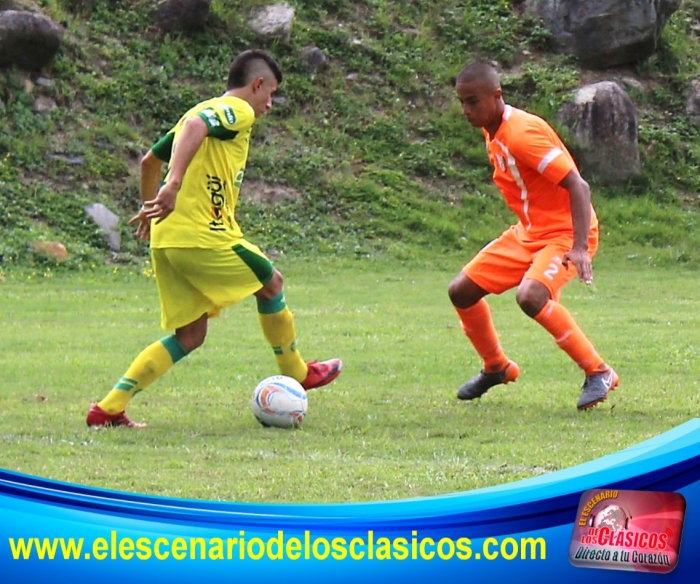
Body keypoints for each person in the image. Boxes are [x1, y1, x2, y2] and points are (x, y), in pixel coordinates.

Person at [87, 49, 342, 428]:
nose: (269, 104)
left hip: (168, 239)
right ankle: (298, 370)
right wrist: (172, 187)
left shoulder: (198, 109)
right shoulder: (236, 110)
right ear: (256, 85)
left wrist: (152, 206)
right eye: (269, 94)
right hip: (202, 233)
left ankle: (107, 409)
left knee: (190, 334)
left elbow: (148, 162)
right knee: (271, 284)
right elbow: (194, 130)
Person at [448, 62, 617, 411]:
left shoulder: (522, 134)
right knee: (461, 291)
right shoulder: (492, 128)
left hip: (564, 233)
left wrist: (580, 248)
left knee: (531, 296)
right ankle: (496, 367)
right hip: (529, 233)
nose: (466, 110)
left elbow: (578, 186)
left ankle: (598, 371)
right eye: (462, 102)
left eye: (473, 101)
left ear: (497, 96)